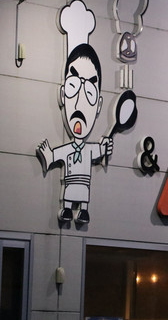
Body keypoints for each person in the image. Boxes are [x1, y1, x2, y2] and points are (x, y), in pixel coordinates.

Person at [37, 43, 112, 224]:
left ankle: (83, 211)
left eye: (89, 92)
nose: (80, 102)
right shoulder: (69, 148)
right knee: (69, 194)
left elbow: (100, 150)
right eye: (73, 85)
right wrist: (47, 155)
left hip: (84, 185)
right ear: (62, 94)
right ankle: (67, 209)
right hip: (70, 183)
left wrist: (105, 148)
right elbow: (54, 156)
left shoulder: (90, 150)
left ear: (99, 105)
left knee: (83, 195)